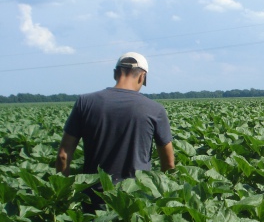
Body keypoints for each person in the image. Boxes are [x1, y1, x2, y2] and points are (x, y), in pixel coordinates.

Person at [55, 52, 175, 209]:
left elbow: (63, 156)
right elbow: (169, 163)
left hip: (94, 198)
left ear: (115, 73)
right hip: (136, 200)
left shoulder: (85, 103)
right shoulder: (155, 110)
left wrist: (63, 196)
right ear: (142, 77)